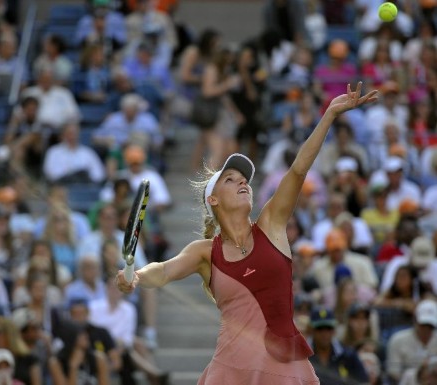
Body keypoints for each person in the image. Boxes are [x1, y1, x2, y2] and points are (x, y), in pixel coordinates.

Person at [116, 82, 378, 383]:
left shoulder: (272, 226)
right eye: (231, 179)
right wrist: (135, 277)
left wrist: (329, 115)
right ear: (212, 199)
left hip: (285, 370)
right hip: (230, 371)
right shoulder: (204, 252)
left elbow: (297, 170)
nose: (243, 183)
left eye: (245, 179)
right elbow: (162, 271)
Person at [307, 307, 369, 385]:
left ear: (334, 330)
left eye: (329, 328)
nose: (324, 333)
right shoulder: (301, 357)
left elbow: (363, 382)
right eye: (319, 328)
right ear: (311, 330)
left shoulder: (348, 355)